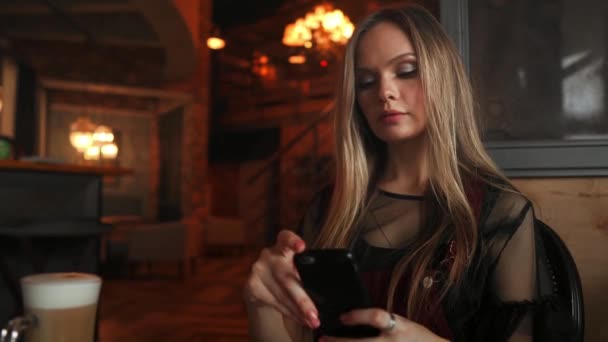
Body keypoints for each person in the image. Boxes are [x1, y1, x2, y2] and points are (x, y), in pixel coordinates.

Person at [243, 4, 572, 342]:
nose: (384, 92)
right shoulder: (327, 211)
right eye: (366, 81)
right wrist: (263, 302)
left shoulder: (499, 215)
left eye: (406, 71)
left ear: (442, 78)